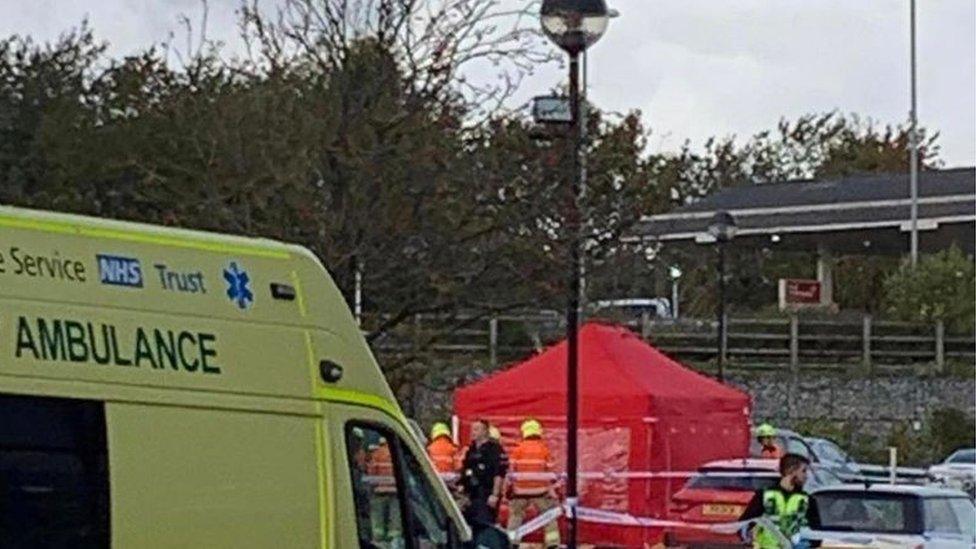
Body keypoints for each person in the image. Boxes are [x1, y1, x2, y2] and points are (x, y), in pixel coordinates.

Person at [739, 453, 821, 549]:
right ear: (791, 471)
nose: (806, 476)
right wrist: (750, 539)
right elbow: (744, 523)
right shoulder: (764, 495)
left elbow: (816, 533)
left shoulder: (808, 500)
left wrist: (806, 544)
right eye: (803, 471)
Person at [507, 419, 560, 548]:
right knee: (549, 516)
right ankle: (552, 544)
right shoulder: (544, 450)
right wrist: (552, 490)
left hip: (520, 491)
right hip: (540, 491)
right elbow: (551, 471)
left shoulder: (518, 450)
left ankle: (512, 543)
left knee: (516, 516)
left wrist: (510, 489)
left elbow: (511, 472)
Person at [459, 419, 505, 538]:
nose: (473, 432)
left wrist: (494, 494)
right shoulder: (471, 449)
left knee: (484, 525)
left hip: (485, 493)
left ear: (485, 431)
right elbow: (466, 469)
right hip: (470, 495)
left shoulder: (494, 450)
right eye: (472, 429)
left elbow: (499, 473)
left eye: (476, 429)